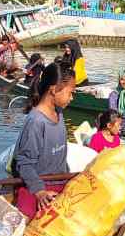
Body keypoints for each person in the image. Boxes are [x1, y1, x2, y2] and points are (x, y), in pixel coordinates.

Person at [10, 62, 76, 218]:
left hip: (59, 181)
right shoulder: (36, 122)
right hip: (38, 186)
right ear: (53, 90)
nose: (72, 98)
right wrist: (39, 192)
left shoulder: (58, 114)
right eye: (70, 92)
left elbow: (61, 159)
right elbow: (24, 163)